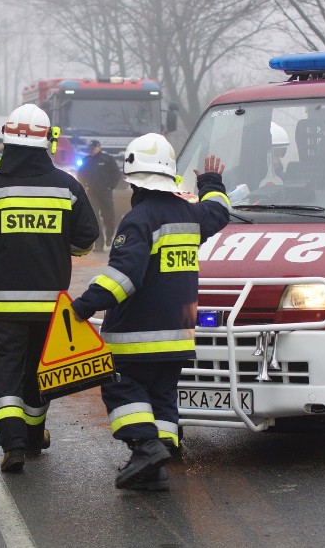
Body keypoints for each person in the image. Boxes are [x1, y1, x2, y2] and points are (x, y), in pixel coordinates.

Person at [70, 133, 230, 491]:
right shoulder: (190, 213)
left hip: (136, 336)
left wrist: (85, 304)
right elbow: (218, 212)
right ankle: (155, 468)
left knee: (121, 387)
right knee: (161, 397)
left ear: (132, 178)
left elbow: (124, 278)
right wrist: (211, 182)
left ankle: (145, 448)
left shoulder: (139, 220)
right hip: (179, 336)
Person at [0, 103, 99, 473]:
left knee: (6, 374)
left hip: (6, 309)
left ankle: (14, 445)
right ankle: (35, 436)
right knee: (41, 373)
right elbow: (87, 239)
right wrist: (58, 245)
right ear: (45, 144)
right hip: (51, 308)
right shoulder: (67, 187)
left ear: (6, 142)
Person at [80, 139, 120, 250]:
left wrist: (110, 186)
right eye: (90, 149)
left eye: (94, 148)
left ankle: (109, 236)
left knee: (109, 217)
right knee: (94, 218)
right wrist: (84, 186)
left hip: (105, 192)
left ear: (99, 147)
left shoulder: (107, 159)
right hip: (92, 192)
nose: (92, 150)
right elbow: (80, 174)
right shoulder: (86, 160)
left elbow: (116, 174)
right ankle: (99, 243)